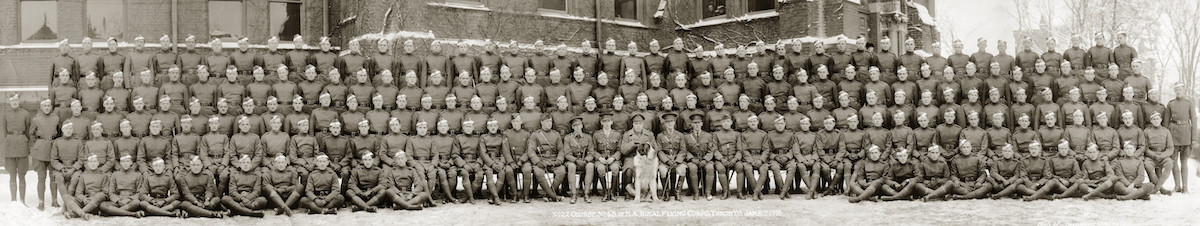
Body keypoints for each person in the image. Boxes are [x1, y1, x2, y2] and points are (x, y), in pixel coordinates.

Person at [27, 98, 55, 208]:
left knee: (53, 176)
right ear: (41, 107)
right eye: (45, 106)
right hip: (40, 150)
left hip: (52, 149)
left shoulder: (55, 118)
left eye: (49, 105)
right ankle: (41, 202)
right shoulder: (36, 119)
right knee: (41, 176)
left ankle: (54, 200)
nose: (47, 108)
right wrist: (38, 144)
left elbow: (58, 132)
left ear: (51, 107)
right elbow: (31, 134)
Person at [1166, 82, 1194, 193]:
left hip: (1186, 133)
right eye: (1176, 90)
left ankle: (1185, 186)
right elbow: (1166, 122)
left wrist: (1194, 138)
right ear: (1174, 91)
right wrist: (1166, 137)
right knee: (1173, 161)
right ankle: (1177, 186)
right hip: (1173, 133)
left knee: (1184, 161)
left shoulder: (1189, 103)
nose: (1178, 91)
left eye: (1180, 89)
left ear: (1184, 90)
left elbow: (1194, 121)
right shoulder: (1170, 104)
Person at [528, 116, 563, 202]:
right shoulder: (535, 134)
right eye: (547, 121)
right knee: (538, 172)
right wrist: (537, 162)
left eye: (550, 121)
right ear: (542, 122)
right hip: (541, 159)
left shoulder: (556, 134)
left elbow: (561, 150)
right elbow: (531, 150)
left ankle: (548, 194)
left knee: (562, 171)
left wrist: (559, 160)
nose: (549, 123)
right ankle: (553, 196)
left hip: (553, 159)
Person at [480, 119, 513, 204]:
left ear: (497, 127)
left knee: (502, 173)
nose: (493, 128)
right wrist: (491, 164)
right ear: (487, 127)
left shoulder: (501, 137)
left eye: (494, 126)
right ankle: (496, 197)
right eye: (491, 126)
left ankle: (492, 196)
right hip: (488, 161)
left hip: (499, 160)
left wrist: (502, 162)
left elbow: (504, 152)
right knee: (489, 174)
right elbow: (483, 154)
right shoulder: (483, 137)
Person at [562, 117, 594, 203]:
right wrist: (576, 161)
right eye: (575, 125)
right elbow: (567, 154)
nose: (577, 127)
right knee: (571, 166)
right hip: (573, 161)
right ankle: (573, 194)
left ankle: (586, 193)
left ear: (582, 126)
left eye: (579, 125)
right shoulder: (568, 138)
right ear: (572, 127)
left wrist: (586, 160)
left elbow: (591, 153)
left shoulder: (588, 137)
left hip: (584, 161)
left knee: (590, 166)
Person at [765, 117, 798, 199]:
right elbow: (767, 149)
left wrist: (787, 157)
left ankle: (783, 191)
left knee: (793, 166)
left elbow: (793, 148)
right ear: (774, 125)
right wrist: (774, 157)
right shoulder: (770, 134)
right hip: (775, 157)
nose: (780, 126)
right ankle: (784, 190)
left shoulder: (790, 134)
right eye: (778, 124)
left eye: (782, 124)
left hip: (787, 157)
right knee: (775, 167)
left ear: (785, 124)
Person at [453, 120, 485, 204]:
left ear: (473, 128)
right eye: (466, 126)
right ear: (463, 128)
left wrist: (478, 163)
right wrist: (463, 165)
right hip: (464, 162)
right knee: (465, 174)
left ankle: (467, 196)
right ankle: (471, 197)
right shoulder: (458, 138)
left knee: (480, 175)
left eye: (470, 126)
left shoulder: (478, 138)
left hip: (475, 162)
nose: (468, 128)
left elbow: (482, 154)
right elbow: (455, 154)